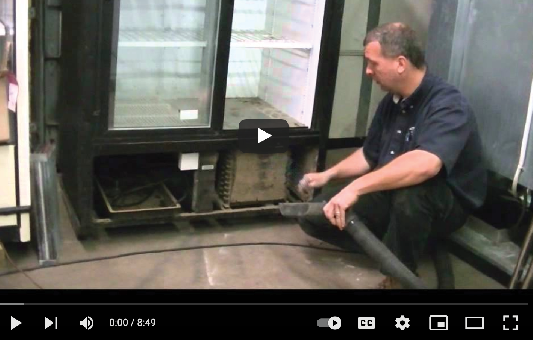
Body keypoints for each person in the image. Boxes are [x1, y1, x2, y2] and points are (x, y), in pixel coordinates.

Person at [297, 22, 487, 288]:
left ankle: (398, 273)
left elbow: (425, 165)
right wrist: (328, 175)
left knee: (413, 194)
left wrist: (357, 188)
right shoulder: (391, 102)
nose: (368, 71)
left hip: (442, 202)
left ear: (400, 63)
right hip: (394, 194)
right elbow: (369, 154)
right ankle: (393, 245)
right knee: (315, 217)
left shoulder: (447, 104)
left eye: (373, 63)